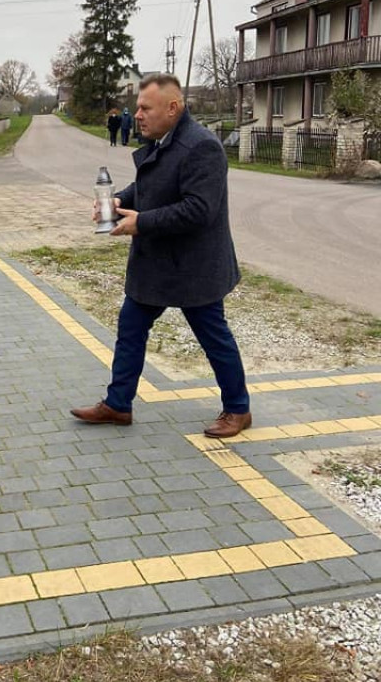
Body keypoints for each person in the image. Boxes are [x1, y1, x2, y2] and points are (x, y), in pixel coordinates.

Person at [71, 73, 251, 439]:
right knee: (131, 328)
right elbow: (148, 185)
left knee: (214, 338)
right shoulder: (162, 139)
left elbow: (199, 209)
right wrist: (120, 200)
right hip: (156, 262)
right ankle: (118, 404)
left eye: (145, 108)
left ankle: (238, 409)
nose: (137, 115)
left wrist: (141, 223)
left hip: (194, 266)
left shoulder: (202, 146)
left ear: (173, 108)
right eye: (137, 108)